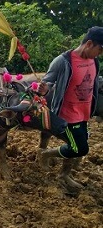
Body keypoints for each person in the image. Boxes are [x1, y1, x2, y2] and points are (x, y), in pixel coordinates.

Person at [38, 26, 103, 190]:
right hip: (67, 114)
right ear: (89, 44)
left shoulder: (94, 61)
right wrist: (43, 89)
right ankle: (44, 154)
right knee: (79, 148)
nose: (100, 54)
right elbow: (48, 81)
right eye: (100, 49)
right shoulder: (63, 61)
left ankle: (64, 174)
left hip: (84, 113)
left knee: (76, 144)